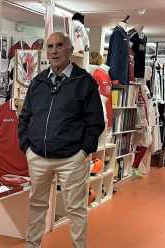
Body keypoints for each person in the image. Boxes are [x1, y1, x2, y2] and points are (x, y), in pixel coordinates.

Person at [18, 32, 104, 248]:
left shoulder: (84, 82)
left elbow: (95, 123)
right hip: (37, 156)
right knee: (36, 205)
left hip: (71, 159)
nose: (54, 51)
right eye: (50, 47)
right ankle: (32, 245)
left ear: (69, 49)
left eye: (59, 45)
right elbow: (25, 117)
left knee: (76, 209)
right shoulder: (38, 82)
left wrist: (83, 152)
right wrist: (26, 147)